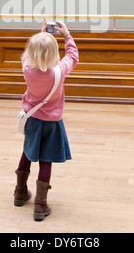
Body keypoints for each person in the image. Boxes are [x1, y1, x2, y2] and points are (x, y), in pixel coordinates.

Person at [14, 21, 79, 221]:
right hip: (52, 122)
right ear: (53, 54)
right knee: (46, 159)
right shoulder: (60, 71)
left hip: (32, 118)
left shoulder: (27, 68)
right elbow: (73, 56)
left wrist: (40, 36)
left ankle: (20, 192)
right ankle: (40, 205)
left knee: (27, 151)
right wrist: (66, 35)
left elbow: (27, 55)